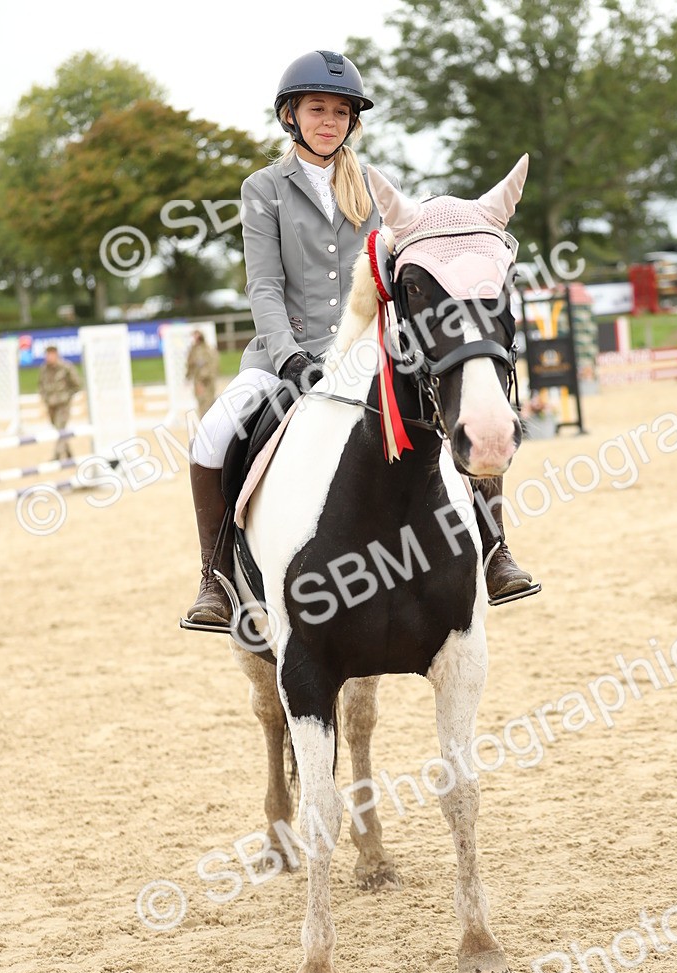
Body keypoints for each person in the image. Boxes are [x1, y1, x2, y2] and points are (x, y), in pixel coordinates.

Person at [183, 49, 535, 630]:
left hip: (372, 347)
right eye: (316, 109)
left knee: (467, 399)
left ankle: (495, 550)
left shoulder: (379, 188)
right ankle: (216, 579)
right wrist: (289, 356)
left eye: (341, 112)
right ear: (289, 117)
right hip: (285, 354)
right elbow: (264, 285)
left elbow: (408, 267)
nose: (329, 121)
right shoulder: (262, 188)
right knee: (214, 434)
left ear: (354, 121)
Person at [37, 346, 81, 462]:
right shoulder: (44, 369)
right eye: (47, 354)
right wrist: (45, 398)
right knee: (58, 429)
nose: (49, 357)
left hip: (63, 405)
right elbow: (40, 385)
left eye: (51, 354)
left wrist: (67, 397)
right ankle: (68, 453)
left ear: (56, 354)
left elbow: (77, 384)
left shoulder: (66, 367)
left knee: (61, 428)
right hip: (51, 406)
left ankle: (57, 455)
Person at [185, 331, 218, 418]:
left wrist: (208, 373)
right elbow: (190, 364)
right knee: (201, 400)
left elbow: (214, 363)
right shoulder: (193, 350)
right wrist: (188, 375)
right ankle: (204, 419)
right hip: (199, 380)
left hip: (208, 379)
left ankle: (209, 418)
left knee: (209, 399)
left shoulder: (208, 349)